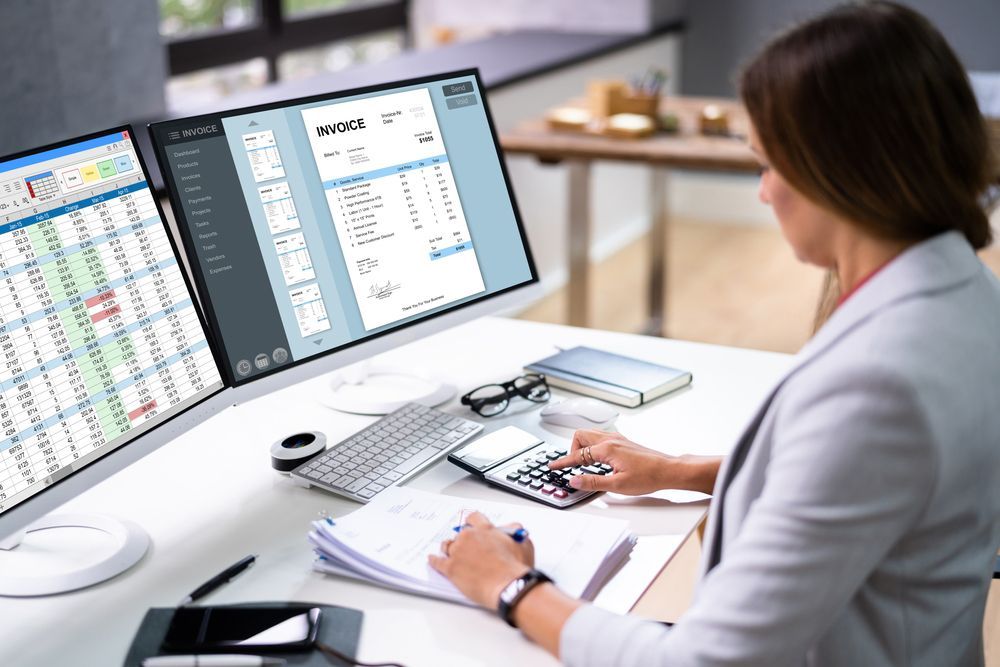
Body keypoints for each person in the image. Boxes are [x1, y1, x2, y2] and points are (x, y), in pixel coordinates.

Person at [428, 2, 1000, 665]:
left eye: (768, 166)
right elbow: (870, 488)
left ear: (836, 170)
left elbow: (706, 661)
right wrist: (678, 471)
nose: (762, 193)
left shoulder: (879, 381)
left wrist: (512, 585)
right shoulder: (968, 290)